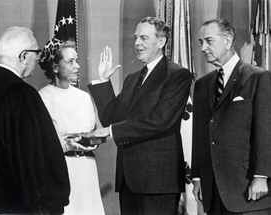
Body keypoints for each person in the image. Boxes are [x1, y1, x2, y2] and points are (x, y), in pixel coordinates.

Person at [87, 17, 192, 215]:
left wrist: (111, 132)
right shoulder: (132, 79)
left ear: (161, 42)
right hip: (128, 180)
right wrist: (103, 81)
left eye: (143, 38)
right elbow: (111, 119)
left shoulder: (177, 75)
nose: (137, 43)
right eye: (136, 38)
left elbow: (160, 121)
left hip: (158, 181)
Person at [191, 18, 271, 215]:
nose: (203, 48)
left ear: (227, 41)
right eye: (201, 42)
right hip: (212, 190)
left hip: (248, 190)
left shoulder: (258, 78)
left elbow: (265, 131)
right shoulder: (202, 85)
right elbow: (199, 136)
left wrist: (262, 176)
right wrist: (198, 178)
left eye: (209, 41)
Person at [0, 26, 70, 214]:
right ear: (24, 56)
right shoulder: (22, 94)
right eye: (36, 53)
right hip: (15, 203)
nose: (38, 59)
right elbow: (36, 157)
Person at [38, 38, 105, 215]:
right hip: (61, 170)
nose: (77, 66)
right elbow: (40, 144)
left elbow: (93, 129)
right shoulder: (42, 98)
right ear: (55, 67)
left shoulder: (84, 97)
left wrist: (93, 139)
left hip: (87, 168)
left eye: (77, 60)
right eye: (70, 61)